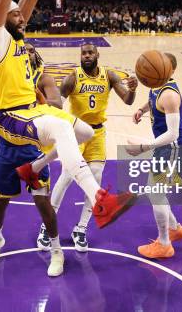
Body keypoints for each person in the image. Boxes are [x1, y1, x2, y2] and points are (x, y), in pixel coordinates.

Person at [0, 0, 135, 275]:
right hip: (10, 117)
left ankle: (34, 168)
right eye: (17, 12)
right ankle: (100, 199)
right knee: (61, 134)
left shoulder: (20, 39)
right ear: (3, 17)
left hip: (30, 113)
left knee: (84, 133)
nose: (24, 13)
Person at [37, 43, 138, 252]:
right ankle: (47, 228)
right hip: (76, 132)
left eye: (90, 52)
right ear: (80, 56)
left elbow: (128, 100)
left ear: (97, 54)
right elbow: (56, 106)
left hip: (98, 133)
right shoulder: (71, 78)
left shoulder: (109, 76)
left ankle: (81, 229)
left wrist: (134, 90)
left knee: (95, 177)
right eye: (84, 53)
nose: (87, 56)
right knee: (65, 178)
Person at [0, 42, 65, 276]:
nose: (27, 52)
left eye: (31, 50)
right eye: (23, 50)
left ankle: (57, 251)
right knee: (0, 201)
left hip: (33, 148)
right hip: (6, 147)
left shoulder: (43, 77)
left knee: (42, 202)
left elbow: (58, 104)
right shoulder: (0, 74)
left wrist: (35, 99)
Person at [125, 53, 182, 259]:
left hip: (174, 148)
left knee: (155, 193)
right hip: (166, 148)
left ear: (170, 71)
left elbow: (173, 134)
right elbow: (152, 99)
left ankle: (164, 244)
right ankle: (175, 229)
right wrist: (141, 109)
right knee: (155, 191)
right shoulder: (157, 86)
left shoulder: (170, 95)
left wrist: (143, 147)